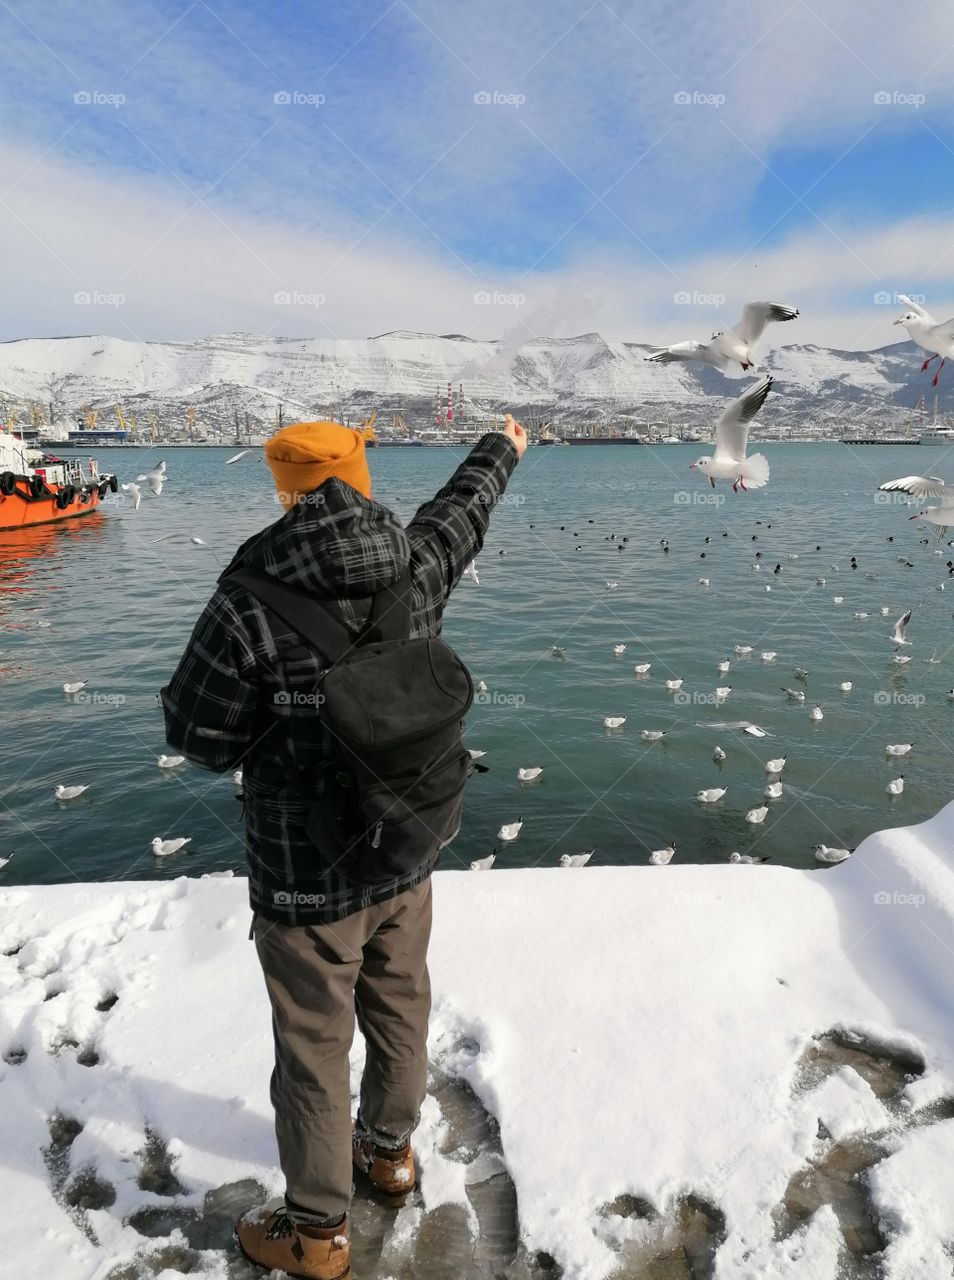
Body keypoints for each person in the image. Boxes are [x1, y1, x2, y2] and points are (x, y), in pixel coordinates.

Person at [161, 416, 526, 1280]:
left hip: (303, 874)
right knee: (400, 1005)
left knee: (313, 1049)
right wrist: (503, 446)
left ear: (282, 487)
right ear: (361, 476)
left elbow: (198, 736)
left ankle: (318, 1232)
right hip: (407, 844)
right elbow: (462, 511)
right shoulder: (415, 562)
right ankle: (390, 1155)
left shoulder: (247, 598)